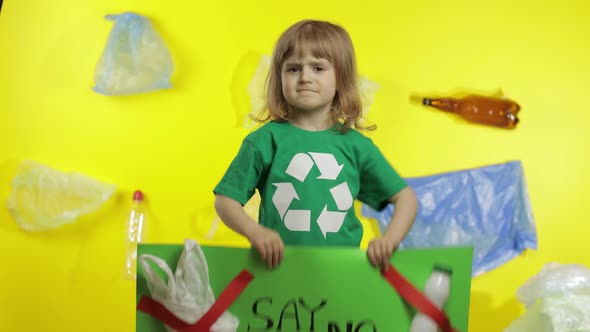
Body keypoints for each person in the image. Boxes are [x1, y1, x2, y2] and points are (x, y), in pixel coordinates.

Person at [213, 19, 418, 270]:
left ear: (340, 79)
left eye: (318, 68)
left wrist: (390, 240)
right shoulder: (264, 141)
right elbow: (225, 200)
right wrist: (254, 232)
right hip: (277, 272)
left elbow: (406, 199)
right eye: (293, 69)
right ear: (279, 78)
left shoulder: (356, 146)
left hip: (341, 274)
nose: (305, 78)